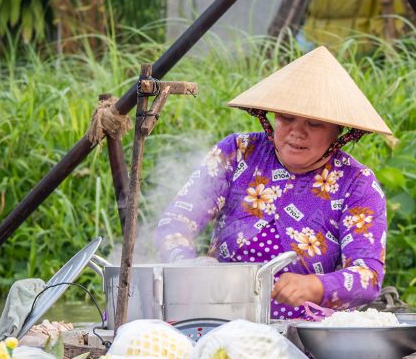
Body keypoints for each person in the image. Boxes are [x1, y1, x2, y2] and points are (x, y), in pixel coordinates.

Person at [155, 45, 395, 320]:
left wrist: (315, 286)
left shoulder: (357, 183)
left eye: (314, 124)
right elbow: (174, 223)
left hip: (308, 334)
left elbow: (368, 275)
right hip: (217, 320)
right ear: (271, 118)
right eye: (287, 118)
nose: (297, 132)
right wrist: (188, 266)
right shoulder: (238, 152)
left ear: (338, 133)